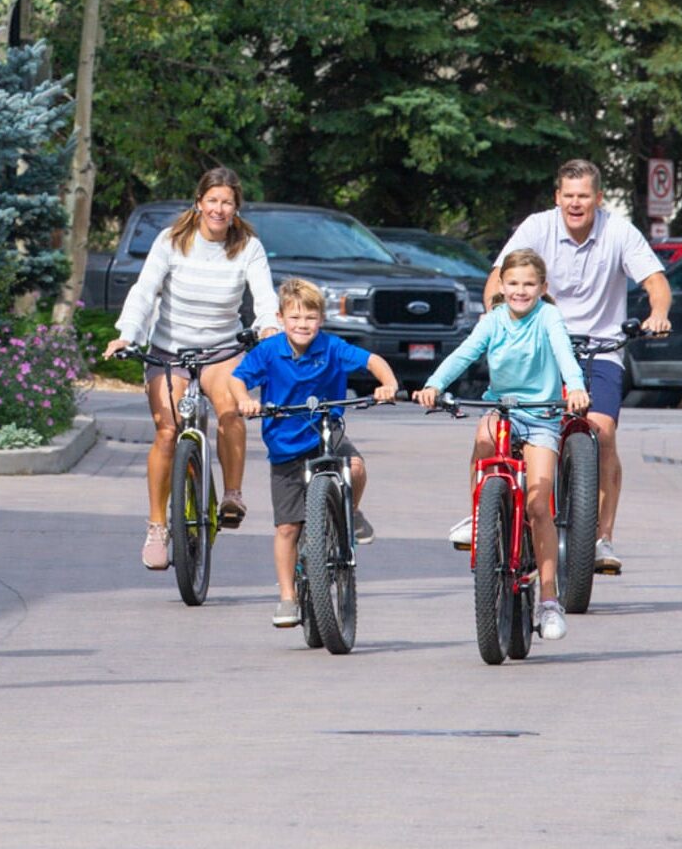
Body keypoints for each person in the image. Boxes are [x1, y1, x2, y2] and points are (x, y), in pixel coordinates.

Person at [486, 159, 671, 576]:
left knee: (602, 429)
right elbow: (499, 278)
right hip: (541, 346)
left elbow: (655, 282)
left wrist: (657, 313)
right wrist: (497, 320)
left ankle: (602, 537)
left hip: (601, 349)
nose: (575, 203)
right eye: (568, 196)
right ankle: (499, 509)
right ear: (557, 197)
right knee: (509, 423)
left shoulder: (619, 231)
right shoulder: (536, 227)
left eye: (583, 196)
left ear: (598, 199)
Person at [106, 166, 280, 570]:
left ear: (236, 208)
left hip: (222, 349)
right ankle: (156, 526)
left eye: (227, 202)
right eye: (212, 201)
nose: (219, 209)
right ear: (199, 203)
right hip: (170, 351)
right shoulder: (171, 241)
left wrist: (268, 324)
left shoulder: (247, 246)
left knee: (230, 411)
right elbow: (144, 291)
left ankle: (232, 495)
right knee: (167, 431)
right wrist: (128, 334)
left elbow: (264, 295)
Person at [417, 249, 588, 641]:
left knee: (537, 503)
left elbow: (564, 352)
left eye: (529, 284)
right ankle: (479, 516)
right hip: (503, 408)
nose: (521, 291)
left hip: (543, 414)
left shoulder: (548, 317)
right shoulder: (493, 322)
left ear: (542, 288)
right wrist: (434, 385)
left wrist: (575, 388)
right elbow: (464, 354)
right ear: (502, 287)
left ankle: (548, 600)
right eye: (513, 283)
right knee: (483, 434)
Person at [228, 278, 398, 627]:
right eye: (294, 318)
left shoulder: (331, 347)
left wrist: (388, 384)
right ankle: (288, 598)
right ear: (281, 318)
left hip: (325, 431)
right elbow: (237, 378)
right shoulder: (269, 350)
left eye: (310, 318)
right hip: (285, 443)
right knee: (288, 527)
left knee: (356, 467)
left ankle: (352, 511)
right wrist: (245, 398)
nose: (302, 325)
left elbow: (372, 360)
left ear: (321, 319)